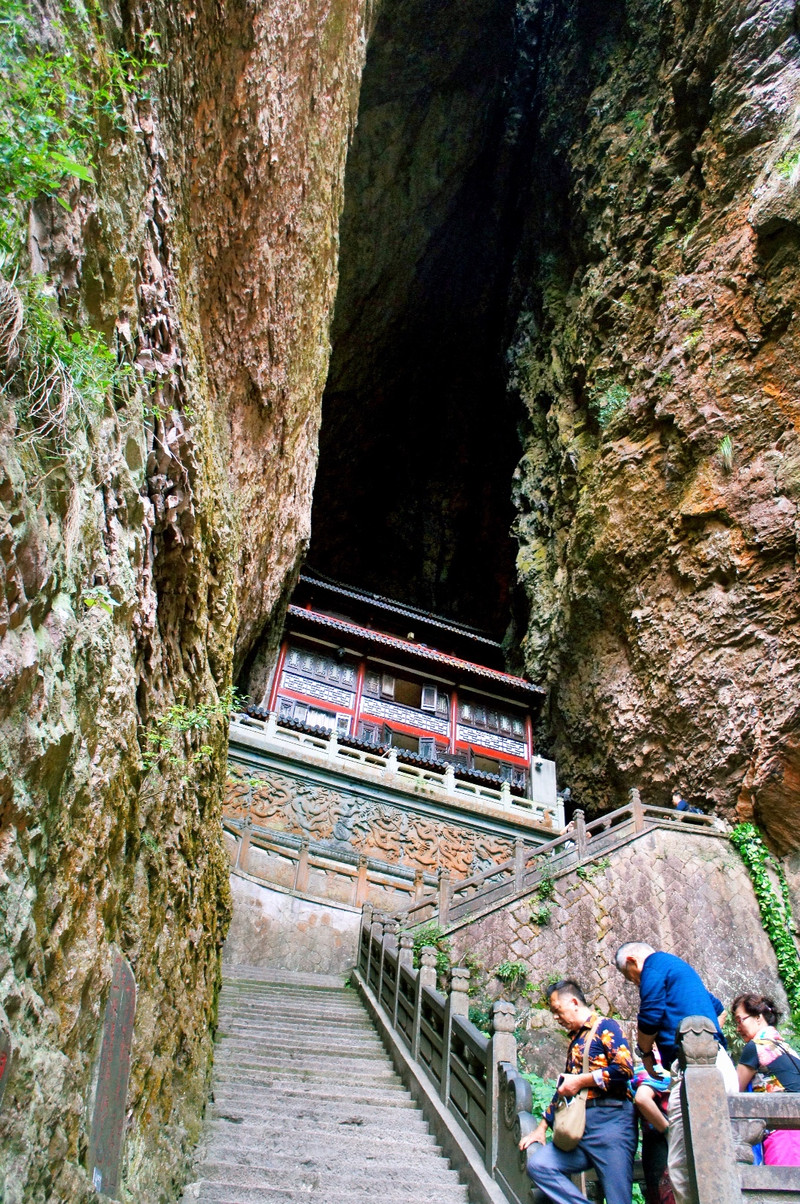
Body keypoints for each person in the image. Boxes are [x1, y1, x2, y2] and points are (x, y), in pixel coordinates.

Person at [615, 942, 738, 1204]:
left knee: (683, 1163)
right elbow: (720, 1010)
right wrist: (705, 1037)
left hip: (694, 1071)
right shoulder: (680, 971)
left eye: (632, 978)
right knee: (719, 1154)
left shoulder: (654, 965)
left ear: (632, 961)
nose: (637, 984)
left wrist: (646, 1053)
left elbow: (650, 1014)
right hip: (719, 1063)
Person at [519, 979, 636, 1204]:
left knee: (618, 1199)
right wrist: (542, 1128)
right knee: (540, 1165)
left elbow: (624, 1069)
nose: (555, 1017)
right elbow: (564, 1088)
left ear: (573, 1002)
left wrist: (581, 1081)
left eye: (557, 1010)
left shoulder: (606, 1026)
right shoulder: (576, 1039)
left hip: (612, 1122)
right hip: (580, 1127)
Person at [733, 992, 800, 1166]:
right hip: (793, 1128)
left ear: (758, 1017)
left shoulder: (757, 1046)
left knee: (783, 1188)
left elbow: (733, 1091)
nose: (737, 1028)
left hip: (785, 1133)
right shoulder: (784, 1047)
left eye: (740, 1020)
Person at [629, 1044, 673, 1204]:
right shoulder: (655, 1069)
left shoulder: (652, 1068)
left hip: (655, 1143)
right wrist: (668, 1130)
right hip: (662, 1142)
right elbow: (642, 1098)